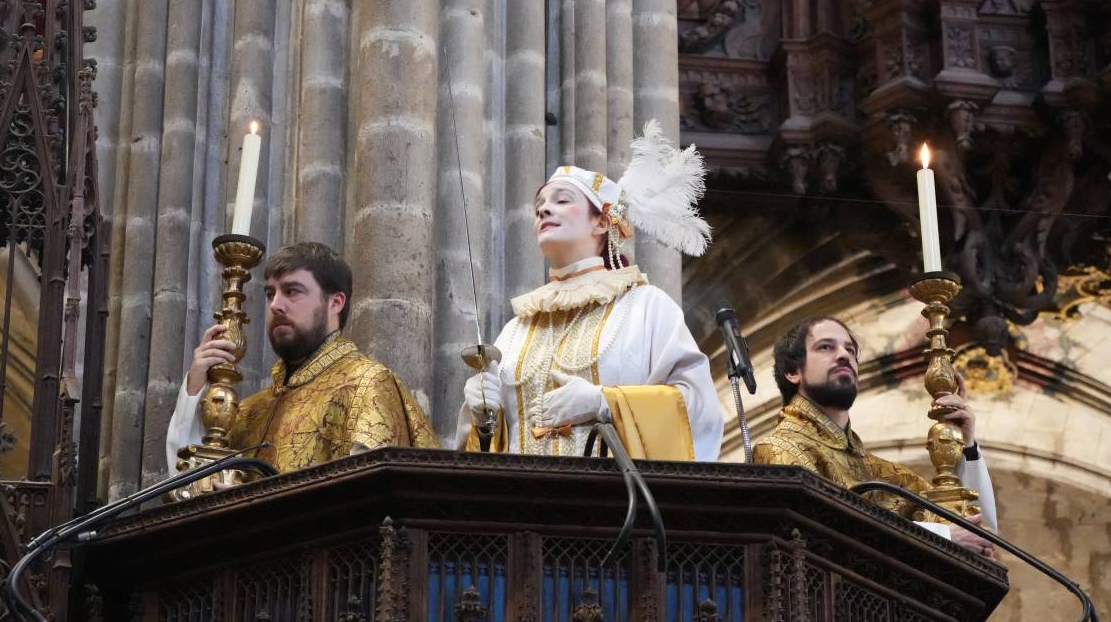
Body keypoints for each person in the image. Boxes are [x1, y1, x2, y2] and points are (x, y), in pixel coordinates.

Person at [454, 120, 724, 460]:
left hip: (613, 504)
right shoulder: (515, 330)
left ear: (602, 222)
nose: (543, 209)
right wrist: (480, 419)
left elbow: (698, 411)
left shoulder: (647, 307)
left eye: (562, 200)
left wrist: (604, 402)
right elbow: (489, 450)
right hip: (522, 504)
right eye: (539, 206)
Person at [167, 242, 437, 474]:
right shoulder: (250, 411)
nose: (276, 305)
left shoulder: (367, 385)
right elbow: (188, 488)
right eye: (271, 294)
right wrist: (195, 388)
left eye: (292, 291)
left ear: (335, 303)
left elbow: (372, 503)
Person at [752, 317, 998, 556]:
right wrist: (941, 539)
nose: (843, 355)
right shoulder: (778, 449)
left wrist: (965, 444)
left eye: (850, 350)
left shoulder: (885, 474)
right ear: (793, 372)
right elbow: (819, 535)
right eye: (826, 347)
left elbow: (979, 534)